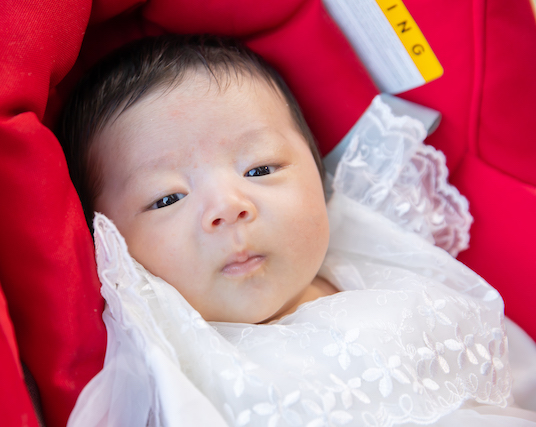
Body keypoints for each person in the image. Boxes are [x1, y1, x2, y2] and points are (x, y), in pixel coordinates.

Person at [58, 34, 536, 427]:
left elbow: (513, 372)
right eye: (167, 199)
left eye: (261, 169)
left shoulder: (382, 259)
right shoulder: (166, 362)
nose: (228, 207)